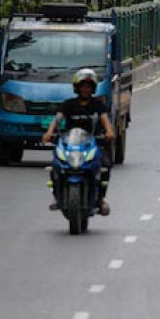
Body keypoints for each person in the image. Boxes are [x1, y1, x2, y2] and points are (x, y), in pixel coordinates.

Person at [42, 69, 115, 216]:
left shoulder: (97, 105)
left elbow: (105, 120)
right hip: (71, 144)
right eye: (83, 86)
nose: (85, 89)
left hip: (91, 144)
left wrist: (109, 132)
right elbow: (57, 119)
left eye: (88, 86)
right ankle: (57, 196)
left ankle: (100, 199)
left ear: (93, 88)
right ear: (77, 87)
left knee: (105, 167)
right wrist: (50, 133)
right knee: (55, 165)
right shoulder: (68, 104)